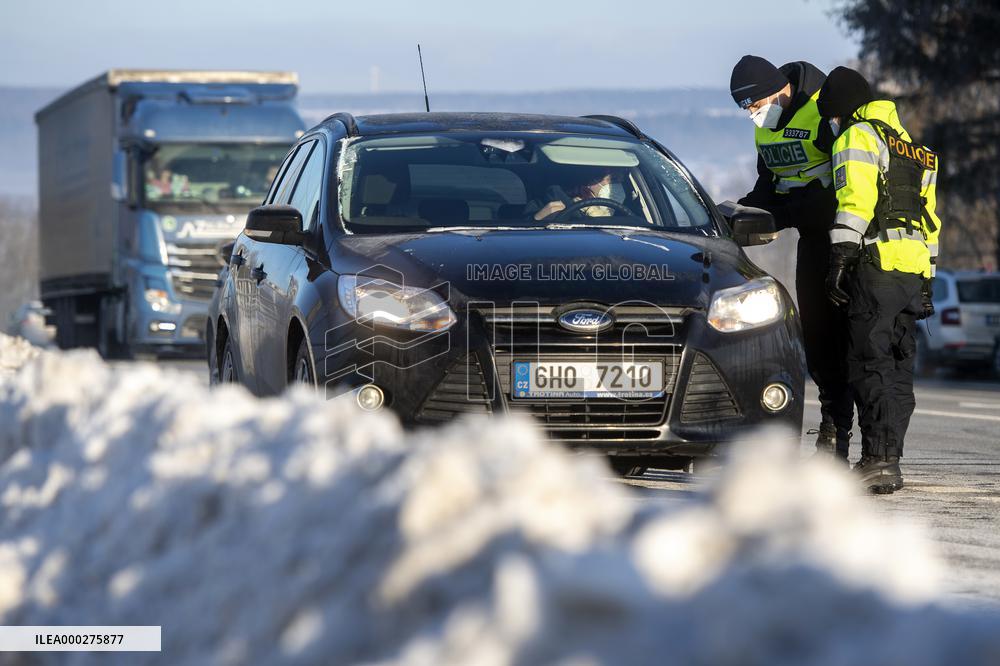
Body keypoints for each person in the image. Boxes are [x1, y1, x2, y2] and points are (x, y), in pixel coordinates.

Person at [817, 66, 941, 494]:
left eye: (830, 116)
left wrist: (839, 257)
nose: (831, 124)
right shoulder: (918, 151)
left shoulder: (857, 136)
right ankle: (889, 458)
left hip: (875, 265)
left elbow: (855, 201)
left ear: (841, 111)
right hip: (912, 269)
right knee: (898, 369)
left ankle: (876, 461)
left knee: (868, 363)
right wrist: (929, 279)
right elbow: (931, 223)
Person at [729, 55, 854, 460]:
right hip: (809, 237)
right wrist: (734, 214)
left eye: (754, 104)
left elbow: (848, 182)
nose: (752, 115)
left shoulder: (823, 110)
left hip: (846, 238)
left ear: (776, 90)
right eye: (745, 109)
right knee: (816, 337)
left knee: (850, 341)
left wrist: (787, 214)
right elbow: (768, 189)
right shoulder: (764, 133)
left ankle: (860, 442)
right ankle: (833, 430)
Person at [533, 168, 619, 220]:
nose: (611, 186)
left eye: (615, 180)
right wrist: (537, 219)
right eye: (609, 180)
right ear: (590, 182)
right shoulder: (554, 196)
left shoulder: (626, 214)